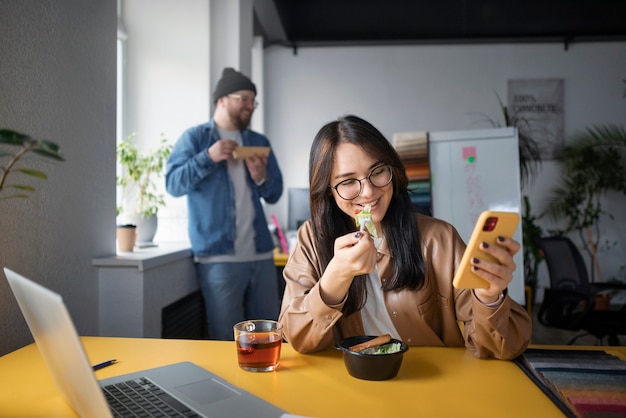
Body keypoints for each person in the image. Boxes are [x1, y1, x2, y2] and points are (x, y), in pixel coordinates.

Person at [279, 115, 531, 359]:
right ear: (328, 192)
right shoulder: (312, 237)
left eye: (377, 171)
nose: (367, 192)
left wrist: (489, 296)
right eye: (347, 182)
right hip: (349, 384)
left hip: (431, 385)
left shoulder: (438, 238)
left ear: (394, 170)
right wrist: (335, 277)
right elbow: (295, 337)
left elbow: (503, 348)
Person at [166, 67, 283, 340]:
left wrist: (261, 178)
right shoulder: (196, 139)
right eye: (243, 98)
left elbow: (275, 193)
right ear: (221, 100)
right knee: (224, 340)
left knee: (272, 337)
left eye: (253, 101)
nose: (249, 106)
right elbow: (173, 184)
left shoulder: (258, 141)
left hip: (262, 255)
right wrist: (207, 157)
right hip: (218, 258)